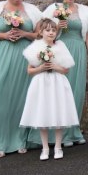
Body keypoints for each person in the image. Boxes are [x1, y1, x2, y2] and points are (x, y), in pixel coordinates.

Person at [0, 0, 43, 158]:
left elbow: (39, 35)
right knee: (0, 97)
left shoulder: (32, 11)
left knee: (23, 98)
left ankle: (21, 140)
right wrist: (4, 35)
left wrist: (25, 33)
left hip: (25, 58)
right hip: (4, 57)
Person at [40, 0, 88, 147]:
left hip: (78, 52)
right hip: (59, 51)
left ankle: (73, 131)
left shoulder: (85, 11)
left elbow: (87, 35)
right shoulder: (53, 9)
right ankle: (59, 134)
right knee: (59, 91)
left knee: (76, 91)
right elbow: (42, 32)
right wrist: (58, 26)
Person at [20, 18, 79, 160]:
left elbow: (65, 70)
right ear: (41, 31)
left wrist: (54, 66)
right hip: (41, 82)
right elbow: (29, 71)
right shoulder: (35, 47)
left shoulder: (60, 46)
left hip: (58, 81)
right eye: (47, 30)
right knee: (42, 112)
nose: (51, 32)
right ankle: (45, 148)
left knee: (59, 112)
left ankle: (58, 147)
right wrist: (41, 68)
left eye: (53, 30)